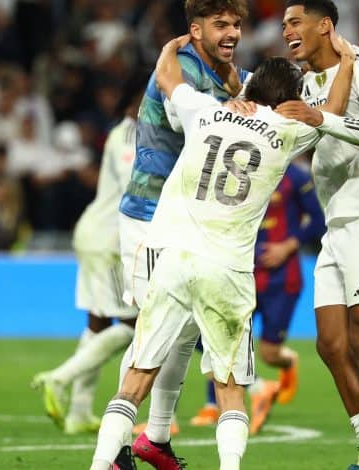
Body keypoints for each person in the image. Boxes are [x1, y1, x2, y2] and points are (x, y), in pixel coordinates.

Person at [89, 30, 355, 470]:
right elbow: (334, 112)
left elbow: (168, 79)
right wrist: (345, 64)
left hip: (174, 261)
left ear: (251, 89)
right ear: (290, 100)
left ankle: (100, 465)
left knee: (135, 379)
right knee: (230, 390)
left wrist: (169, 48)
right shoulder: (289, 130)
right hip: (227, 269)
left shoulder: (207, 112)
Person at [275, 1, 359, 468]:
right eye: (284, 24)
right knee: (330, 344)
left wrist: (320, 120)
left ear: (324, 25)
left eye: (295, 22)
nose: (286, 30)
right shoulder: (306, 83)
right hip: (336, 223)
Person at [116, 1, 252, 468]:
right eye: (220, 24)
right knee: (151, 331)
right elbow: (190, 121)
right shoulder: (182, 68)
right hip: (149, 215)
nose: (231, 32)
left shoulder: (227, 75)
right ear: (195, 30)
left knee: (182, 332)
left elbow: (262, 95)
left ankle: (154, 438)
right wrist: (236, 105)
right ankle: (117, 450)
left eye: (236, 24)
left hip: (188, 222)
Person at [29, 77, 146, 435]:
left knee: (98, 323)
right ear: (133, 103)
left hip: (100, 234)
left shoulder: (125, 132)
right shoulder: (130, 135)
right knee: (133, 324)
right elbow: (134, 186)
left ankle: (79, 412)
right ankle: (59, 378)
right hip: (111, 240)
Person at [190, 164, 326, 434]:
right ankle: (214, 404)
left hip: (282, 279)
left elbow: (318, 222)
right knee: (220, 337)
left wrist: (288, 245)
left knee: (268, 353)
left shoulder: (295, 176)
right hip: (241, 272)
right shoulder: (237, 173)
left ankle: (286, 361)